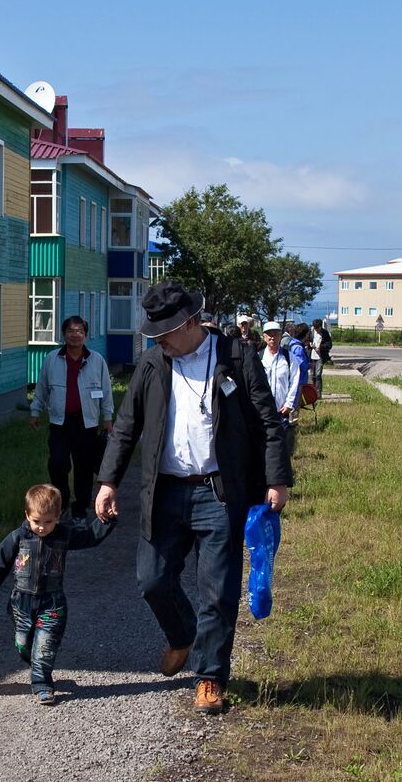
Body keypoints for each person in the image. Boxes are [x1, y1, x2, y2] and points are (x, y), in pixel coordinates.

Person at [96, 282, 291, 715]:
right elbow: (126, 427)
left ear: (187, 324)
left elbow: (267, 422)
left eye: (163, 332)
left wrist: (276, 479)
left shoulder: (236, 358)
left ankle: (209, 677)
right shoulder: (151, 364)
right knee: (152, 580)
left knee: (217, 591)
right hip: (165, 491)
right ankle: (183, 635)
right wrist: (108, 481)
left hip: (219, 493)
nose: (158, 340)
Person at [0, 484, 115, 706]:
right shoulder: (18, 537)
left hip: (52, 602)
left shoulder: (64, 535)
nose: (42, 527)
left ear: (58, 516)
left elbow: (90, 536)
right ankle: (37, 662)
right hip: (21, 601)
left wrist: (106, 521)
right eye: (36, 521)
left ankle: (42, 683)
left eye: (48, 522)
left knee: (45, 645)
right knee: (23, 643)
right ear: (27, 515)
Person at [30, 315, 114, 519]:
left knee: (84, 466)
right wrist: (35, 411)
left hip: (87, 422)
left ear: (85, 335)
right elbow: (41, 388)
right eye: (71, 331)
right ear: (64, 334)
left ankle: (81, 507)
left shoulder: (96, 360)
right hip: (60, 422)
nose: (75, 335)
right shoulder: (52, 359)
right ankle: (63, 500)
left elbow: (106, 390)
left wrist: (108, 417)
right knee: (57, 463)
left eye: (79, 331)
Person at [261, 320, 303, 459]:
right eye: (269, 334)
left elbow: (295, 381)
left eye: (275, 334)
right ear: (264, 337)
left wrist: (289, 404)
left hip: (281, 408)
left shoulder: (288, 357)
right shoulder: (258, 357)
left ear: (280, 336)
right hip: (263, 409)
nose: (272, 337)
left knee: (281, 442)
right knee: (263, 441)